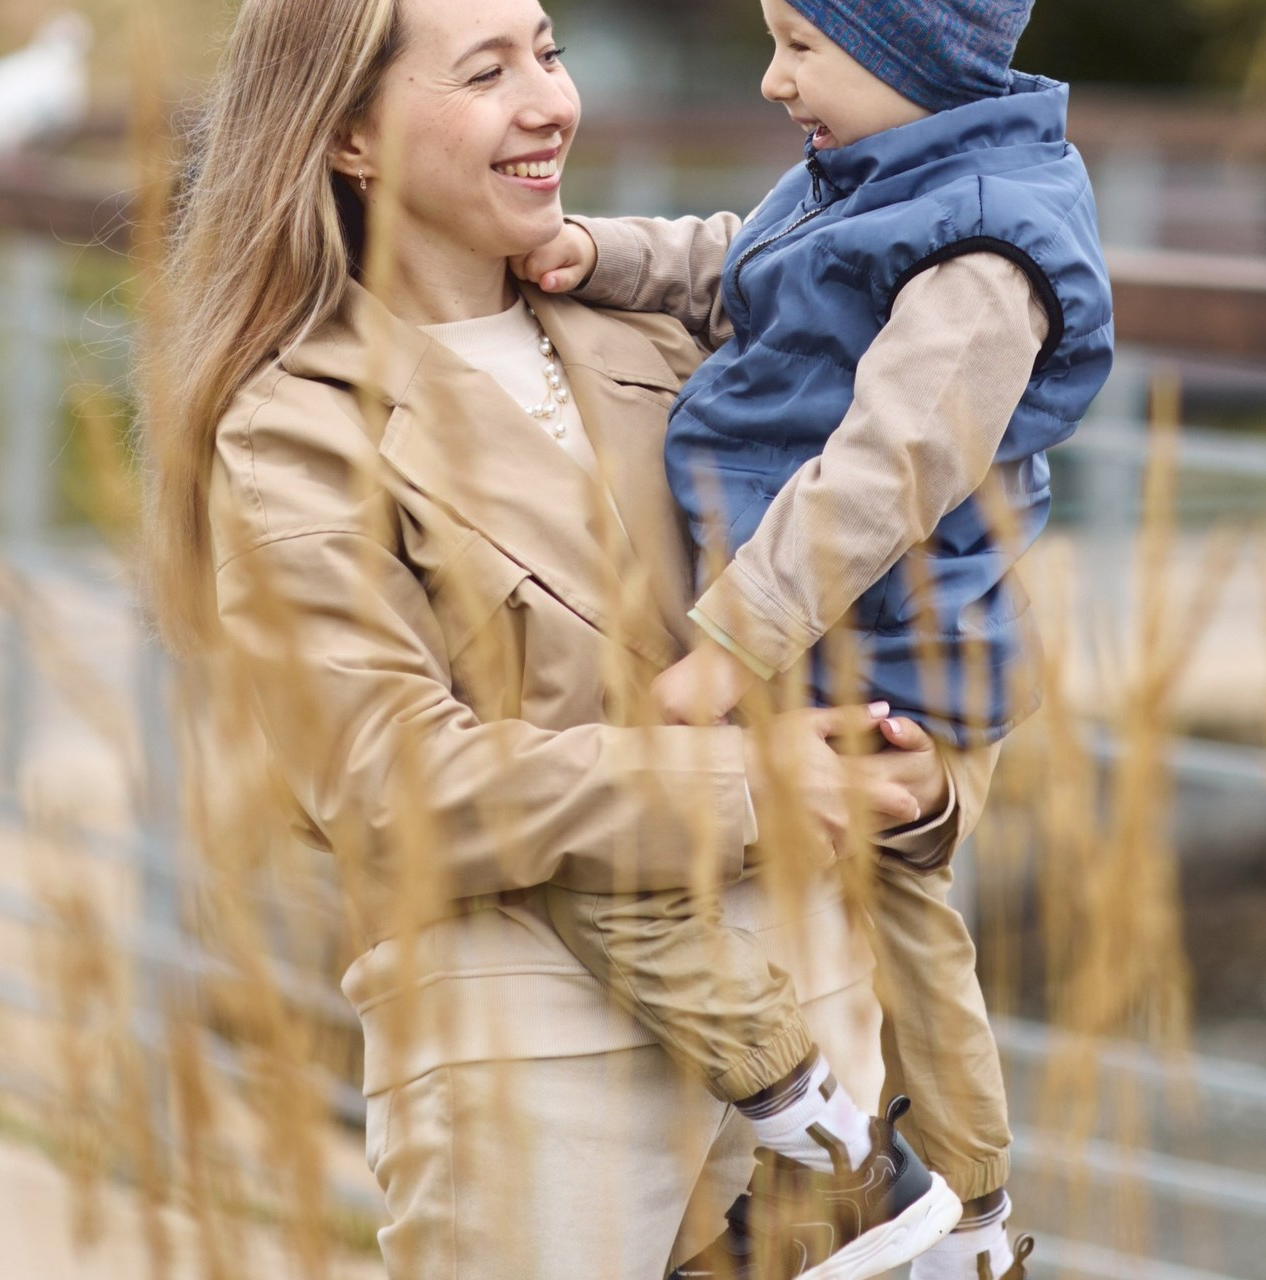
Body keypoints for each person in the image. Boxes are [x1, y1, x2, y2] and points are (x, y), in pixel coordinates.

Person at [140, 1, 1002, 1279]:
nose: (551, 101)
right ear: (347, 138)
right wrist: (760, 781)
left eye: (546, 51)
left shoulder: (671, 325)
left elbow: (920, 586)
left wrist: (932, 781)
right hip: (535, 1051)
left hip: (824, 1020)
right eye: (487, 71)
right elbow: (391, 782)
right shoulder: (293, 428)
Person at [514, 1, 1114, 1277]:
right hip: (815, 639)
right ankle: (883, 1187)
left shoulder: (985, 256)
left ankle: (930, 1187)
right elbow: (746, 266)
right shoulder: (868, 177)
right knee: (866, 921)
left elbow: (883, 473)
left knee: (891, 921)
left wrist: (730, 646)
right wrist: (600, 252)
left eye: (802, 45)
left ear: (912, 59)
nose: (773, 77)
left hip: (889, 659)